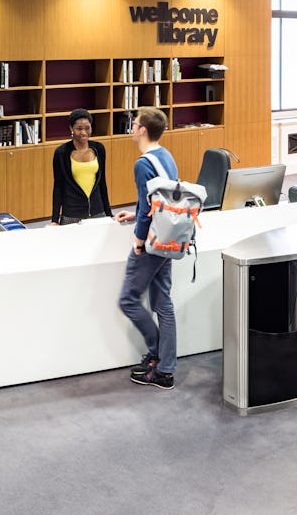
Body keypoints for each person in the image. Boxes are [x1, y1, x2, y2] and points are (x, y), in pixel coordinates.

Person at [112, 106, 179, 390]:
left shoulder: (142, 163)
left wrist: (139, 241)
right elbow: (156, 199)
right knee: (162, 302)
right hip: (170, 239)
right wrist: (134, 211)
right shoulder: (165, 156)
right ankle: (164, 367)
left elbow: (149, 208)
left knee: (128, 299)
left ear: (142, 130)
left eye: (135, 123)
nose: (132, 126)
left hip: (152, 242)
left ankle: (158, 356)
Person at [49, 108, 111, 225]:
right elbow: (58, 187)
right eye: (79, 129)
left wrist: (109, 213)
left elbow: (102, 182)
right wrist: (54, 219)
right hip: (71, 213)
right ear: (71, 129)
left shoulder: (99, 148)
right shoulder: (61, 153)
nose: (83, 132)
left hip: (98, 211)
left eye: (87, 128)